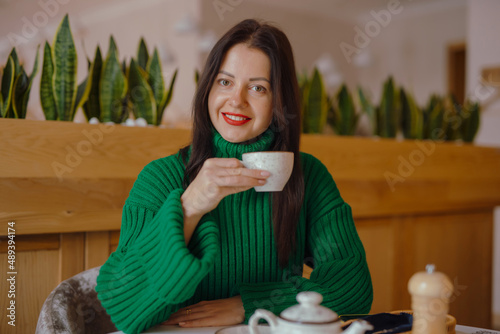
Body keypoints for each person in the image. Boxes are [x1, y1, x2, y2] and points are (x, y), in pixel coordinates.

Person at [96, 19, 373, 334]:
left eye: (258, 87)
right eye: (225, 82)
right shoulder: (161, 178)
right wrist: (190, 206)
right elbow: (122, 303)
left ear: (279, 101)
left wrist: (248, 304)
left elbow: (353, 289)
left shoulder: (308, 176)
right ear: (208, 89)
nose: (237, 99)